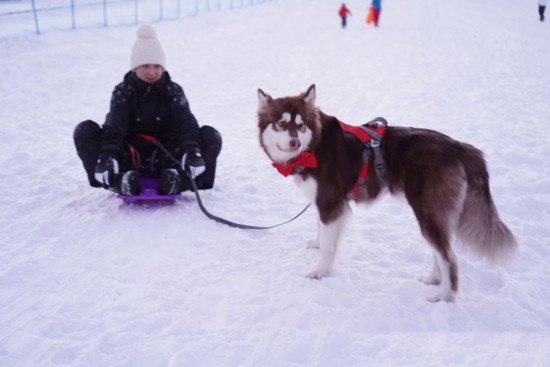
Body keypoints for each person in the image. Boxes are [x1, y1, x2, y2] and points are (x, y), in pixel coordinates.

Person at [73, 24, 222, 196]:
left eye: (157, 66)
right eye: (145, 66)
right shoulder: (123, 91)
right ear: (135, 68)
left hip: (167, 156)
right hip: (130, 157)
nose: (152, 72)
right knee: (85, 130)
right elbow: (115, 125)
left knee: (210, 135)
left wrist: (192, 152)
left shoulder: (173, 90)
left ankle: (179, 181)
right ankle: (118, 182)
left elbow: (185, 122)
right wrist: (107, 156)